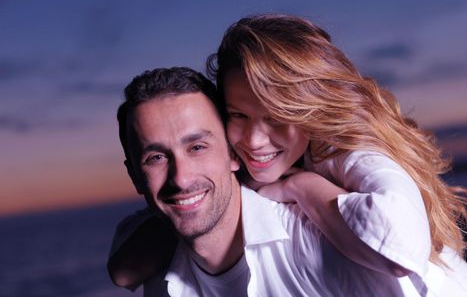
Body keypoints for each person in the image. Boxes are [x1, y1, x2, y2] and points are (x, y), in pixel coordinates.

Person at [110, 15, 467, 294]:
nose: (254, 139)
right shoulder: (172, 262)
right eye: (239, 115)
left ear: (309, 112)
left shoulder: (342, 153)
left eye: (277, 117)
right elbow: (124, 268)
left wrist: (303, 187)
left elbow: (400, 246)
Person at [114, 66, 414, 296]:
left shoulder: (318, 247)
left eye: (197, 147)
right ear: (134, 176)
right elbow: (122, 270)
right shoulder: (160, 278)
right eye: (156, 158)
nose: (181, 178)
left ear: (234, 154)